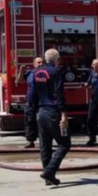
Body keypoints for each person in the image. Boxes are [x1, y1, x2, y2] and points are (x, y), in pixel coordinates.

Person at [27, 49, 70, 186]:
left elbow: (32, 93)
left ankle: (48, 178)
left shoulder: (36, 72)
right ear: (57, 59)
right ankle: (49, 172)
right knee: (64, 144)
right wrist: (63, 113)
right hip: (53, 112)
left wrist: (32, 111)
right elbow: (58, 93)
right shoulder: (56, 71)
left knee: (45, 146)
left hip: (41, 111)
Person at [23, 57, 44, 148]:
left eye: (42, 62)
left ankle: (44, 142)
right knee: (30, 121)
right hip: (30, 102)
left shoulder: (46, 73)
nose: (41, 64)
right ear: (34, 64)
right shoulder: (29, 73)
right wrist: (21, 71)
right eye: (38, 62)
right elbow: (19, 80)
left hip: (42, 102)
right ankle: (30, 141)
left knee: (43, 122)